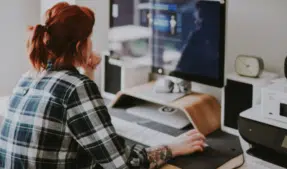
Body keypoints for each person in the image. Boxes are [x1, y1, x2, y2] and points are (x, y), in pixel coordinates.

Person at [0, 2, 206, 169]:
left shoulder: (28, 78)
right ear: (80, 46)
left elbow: (80, 123)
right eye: (89, 38)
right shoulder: (75, 88)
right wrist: (173, 147)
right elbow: (121, 164)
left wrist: (87, 72)